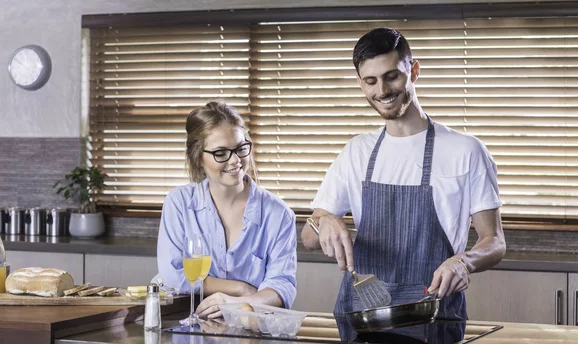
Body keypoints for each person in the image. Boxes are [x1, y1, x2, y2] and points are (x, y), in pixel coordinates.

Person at [301, 28, 506, 321]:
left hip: (434, 315)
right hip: (362, 317)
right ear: (360, 84)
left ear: (414, 70)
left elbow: (494, 241)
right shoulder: (356, 152)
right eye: (371, 81)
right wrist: (325, 222)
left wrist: (464, 262)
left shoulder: (466, 150)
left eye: (391, 76)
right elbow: (309, 235)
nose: (382, 91)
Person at [156, 101, 297, 319]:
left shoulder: (278, 214)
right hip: (182, 324)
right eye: (221, 153)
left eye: (241, 148)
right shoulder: (180, 203)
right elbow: (174, 276)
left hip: (249, 332)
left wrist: (235, 303)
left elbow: (281, 287)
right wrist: (241, 289)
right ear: (198, 158)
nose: (235, 160)